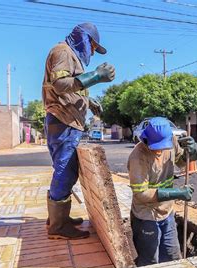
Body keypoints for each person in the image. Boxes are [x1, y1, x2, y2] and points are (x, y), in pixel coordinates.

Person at [42, 23, 115, 240]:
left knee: (66, 170)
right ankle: (57, 226)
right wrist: (95, 76)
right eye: (92, 46)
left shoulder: (69, 54)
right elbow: (61, 84)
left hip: (66, 120)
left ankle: (58, 218)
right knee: (64, 171)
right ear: (84, 39)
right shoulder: (63, 51)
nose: (92, 51)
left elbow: (70, 86)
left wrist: (88, 101)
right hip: (63, 119)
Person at [127, 117, 197, 266]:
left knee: (172, 257)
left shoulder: (170, 141)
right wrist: (177, 193)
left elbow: (183, 164)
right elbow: (142, 194)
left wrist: (192, 152)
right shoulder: (138, 157)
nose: (160, 150)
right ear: (146, 139)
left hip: (167, 213)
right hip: (146, 215)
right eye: (156, 146)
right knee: (150, 261)